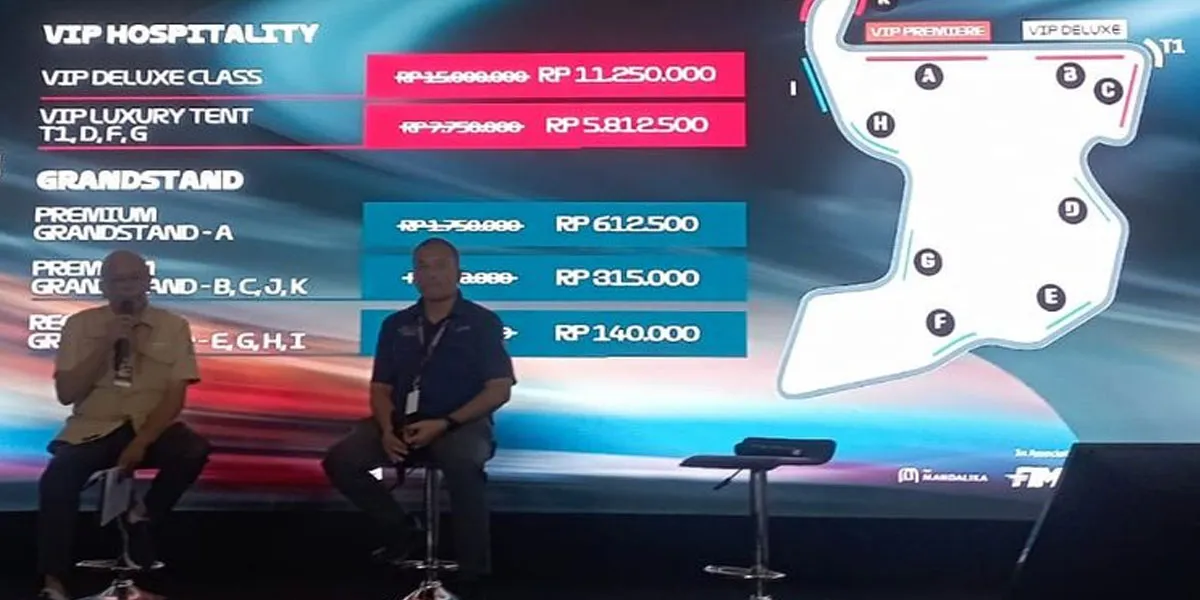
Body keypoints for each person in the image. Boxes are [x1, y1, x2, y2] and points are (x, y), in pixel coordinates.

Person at [322, 237, 515, 592]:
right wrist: (386, 430)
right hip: (402, 422)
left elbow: (499, 389)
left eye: (440, 265)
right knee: (342, 459)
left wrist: (446, 423)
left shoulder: (482, 322)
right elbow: (380, 388)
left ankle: (473, 570)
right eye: (423, 267)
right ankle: (402, 532)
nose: (431, 274)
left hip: (460, 423)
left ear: (458, 273)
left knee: (463, 463)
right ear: (413, 276)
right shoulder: (395, 324)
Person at [37, 250, 211, 600]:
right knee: (57, 478)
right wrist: (106, 343)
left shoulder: (173, 326)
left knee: (193, 449)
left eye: (134, 278)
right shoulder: (80, 325)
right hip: (94, 427)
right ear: (104, 286)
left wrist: (142, 442)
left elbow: (175, 397)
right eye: (118, 280)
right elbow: (67, 393)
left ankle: (141, 517)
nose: (127, 287)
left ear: (148, 282)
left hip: (150, 425)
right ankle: (54, 581)